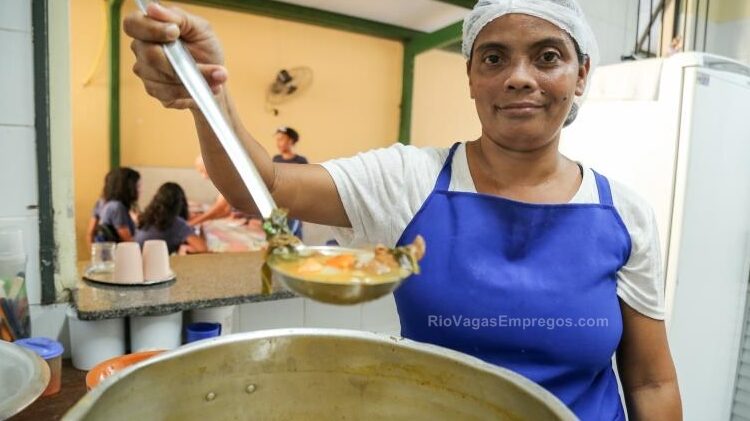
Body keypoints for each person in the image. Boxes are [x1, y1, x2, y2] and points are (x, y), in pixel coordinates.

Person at [124, 1, 682, 419]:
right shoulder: (408, 180)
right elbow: (263, 187)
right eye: (494, 57)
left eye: (548, 57)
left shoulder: (623, 214)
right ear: (471, 77)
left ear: (580, 75)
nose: (519, 76)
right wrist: (208, 92)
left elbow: (652, 383)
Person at [136, 182, 207, 254]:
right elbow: (203, 249)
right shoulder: (176, 223)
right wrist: (201, 227)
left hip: (137, 260)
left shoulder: (146, 218)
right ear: (180, 204)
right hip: (155, 262)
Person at [92, 167, 141, 243]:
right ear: (128, 187)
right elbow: (129, 241)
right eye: (138, 186)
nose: (140, 190)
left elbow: (90, 233)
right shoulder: (117, 207)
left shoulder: (102, 203)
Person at [187, 155, 232, 226]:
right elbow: (224, 211)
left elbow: (220, 208)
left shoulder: (228, 178)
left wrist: (192, 222)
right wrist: (200, 216)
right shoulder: (222, 179)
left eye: (202, 171)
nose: (203, 177)